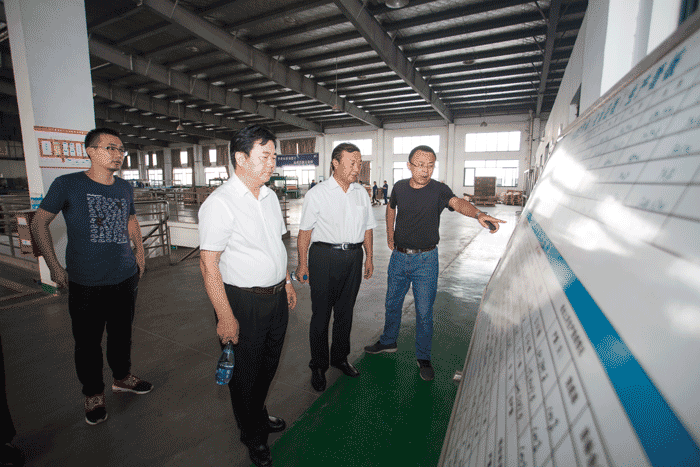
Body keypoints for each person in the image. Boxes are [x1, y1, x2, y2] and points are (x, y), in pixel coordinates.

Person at [31, 128, 152, 426]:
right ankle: (93, 393)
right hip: (86, 282)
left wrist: (140, 254)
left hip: (125, 277)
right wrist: (54, 266)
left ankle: (122, 377)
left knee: (122, 334)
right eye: (110, 148)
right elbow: (38, 223)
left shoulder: (124, 187)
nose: (118, 154)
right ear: (90, 151)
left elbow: (131, 220)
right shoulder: (68, 184)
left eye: (121, 149)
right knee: (87, 343)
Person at [199, 124, 297, 467]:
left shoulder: (269, 197)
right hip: (242, 302)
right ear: (241, 158)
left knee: (268, 364)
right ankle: (252, 434)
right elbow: (209, 264)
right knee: (244, 373)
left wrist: (286, 281)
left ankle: (257, 413)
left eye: (274, 156)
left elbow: (276, 244)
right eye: (264, 156)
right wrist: (225, 315)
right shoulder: (220, 203)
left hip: (275, 297)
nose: (272, 163)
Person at [364, 145, 504, 381]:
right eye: (420, 165)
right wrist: (390, 234)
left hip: (426, 260)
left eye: (430, 165)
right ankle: (388, 341)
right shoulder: (399, 187)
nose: (425, 170)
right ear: (409, 166)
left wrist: (478, 214)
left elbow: (458, 203)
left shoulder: (439, 190)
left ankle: (423, 357)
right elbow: (390, 208)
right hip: (398, 258)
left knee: (424, 312)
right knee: (392, 303)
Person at [296, 143, 376, 392]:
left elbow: (368, 228)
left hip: (353, 257)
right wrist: (302, 264)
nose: (357, 168)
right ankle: (318, 365)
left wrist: (369, 258)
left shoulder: (361, 193)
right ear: (335, 163)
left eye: (359, 163)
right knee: (321, 314)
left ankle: (339, 358)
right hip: (324, 257)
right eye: (352, 163)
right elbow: (304, 233)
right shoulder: (317, 193)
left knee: (345, 312)